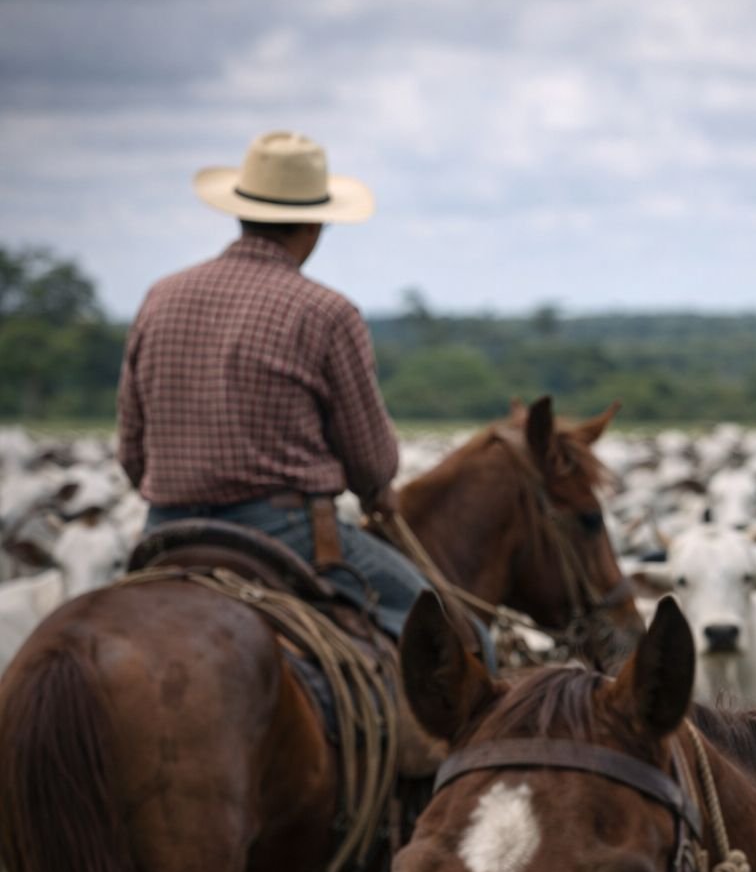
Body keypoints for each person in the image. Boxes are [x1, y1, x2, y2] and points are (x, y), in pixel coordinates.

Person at [117, 130, 489, 661]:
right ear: (315, 225)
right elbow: (371, 462)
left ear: (240, 211)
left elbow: (131, 452)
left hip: (166, 531)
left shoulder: (161, 297)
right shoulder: (325, 312)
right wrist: (376, 493)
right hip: (284, 533)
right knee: (464, 644)